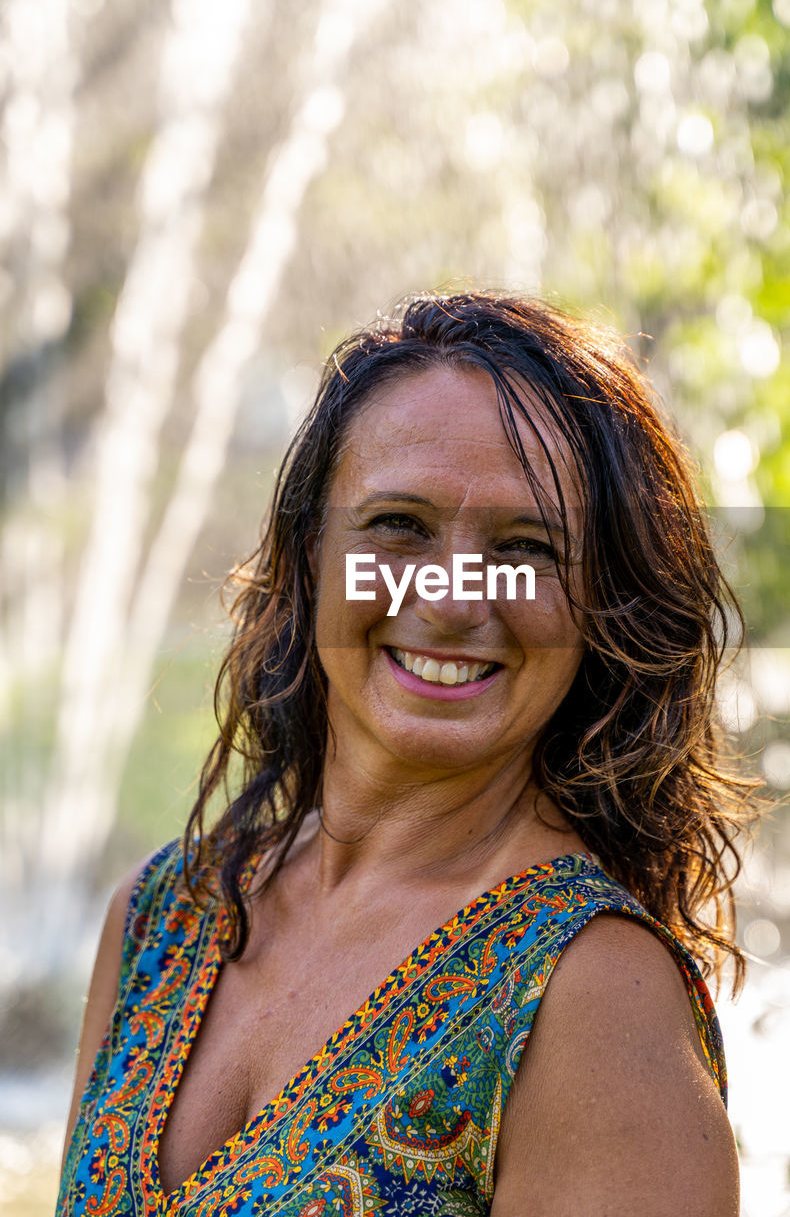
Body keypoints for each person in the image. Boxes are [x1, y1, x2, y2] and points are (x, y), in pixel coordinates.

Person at [57, 291, 752, 1216]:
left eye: (526, 547)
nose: (455, 596)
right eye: (398, 525)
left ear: (603, 607)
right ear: (311, 553)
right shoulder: (159, 918)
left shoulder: (593, 999)